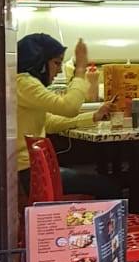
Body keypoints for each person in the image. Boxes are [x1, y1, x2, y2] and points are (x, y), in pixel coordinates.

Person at [16, 33, 116, 200]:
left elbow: (49, 123)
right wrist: (80, 70)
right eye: (56, 63)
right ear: (39, 62)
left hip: (30, 169)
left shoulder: (21, 83)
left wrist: (94, 116)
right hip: (28, 171)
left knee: (103, 184)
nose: (59, 70)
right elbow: (69, 107)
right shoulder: (24, 82)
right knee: (107, 187)